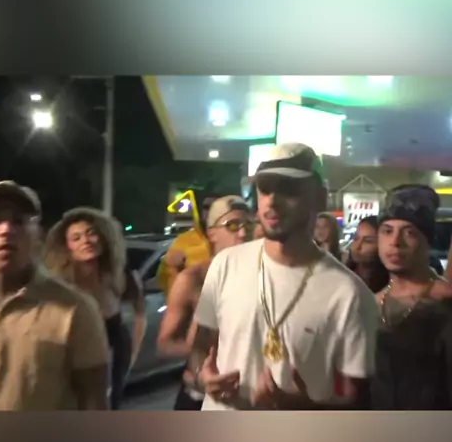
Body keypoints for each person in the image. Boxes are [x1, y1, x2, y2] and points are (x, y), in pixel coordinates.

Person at [187, 143, 378, 411]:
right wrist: (203, 376)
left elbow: (356, 400)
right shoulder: (225, 264)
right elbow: (200, 345)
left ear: (319, 198)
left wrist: (299, 406)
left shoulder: (350, 294)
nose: (271, 201)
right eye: (264, 189)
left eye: (288, 189)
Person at [0, 181, 110, 410]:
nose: (6, 229)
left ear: (37, 234)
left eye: (19, 221)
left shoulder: (75, 308)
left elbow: (94, 401)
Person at [43, 207, 146, 410]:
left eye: (91, 233)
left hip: (113, 360)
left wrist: (131, 357)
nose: (86, 241)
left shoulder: (120, 276)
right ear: (66, 246)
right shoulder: (58, 285)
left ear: (104, 236)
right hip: (72, 366)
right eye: (76, 238)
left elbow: (140, 313)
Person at [157, 196, 252, 410]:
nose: (243, 233)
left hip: (248, 393)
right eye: (233, 226)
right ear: (212, 233)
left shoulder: (263, 274)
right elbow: (165, 344)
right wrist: (200, 352)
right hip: (200, 395)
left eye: (248, 225)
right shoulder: (193, 279)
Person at [372, 184, 452, 410]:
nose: (395, 242)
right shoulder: (370, 302)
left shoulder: (444, 303)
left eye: (409, 232)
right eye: (387, 231)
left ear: (428, 240)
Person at [157, 193, 219, 297]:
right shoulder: (184, 241)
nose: (210, 211)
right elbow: (165, 282)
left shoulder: (235, 239)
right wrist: (170, 266)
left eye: (216, 207)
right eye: (206, 207)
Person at [346, 216, 389, 293]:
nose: (357, 246)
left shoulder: (391, 285)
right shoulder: (343, 276)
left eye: (368, 241)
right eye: (356, 238)